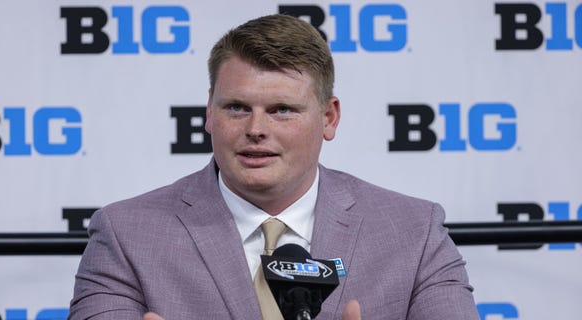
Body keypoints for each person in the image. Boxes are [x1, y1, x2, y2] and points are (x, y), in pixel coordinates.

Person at [69, 14, 479, 320]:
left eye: (282, 110)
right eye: (236, 108)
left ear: (329, 118)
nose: (255, 129)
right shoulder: (126, 235)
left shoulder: (413, 231)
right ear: (210, 113)